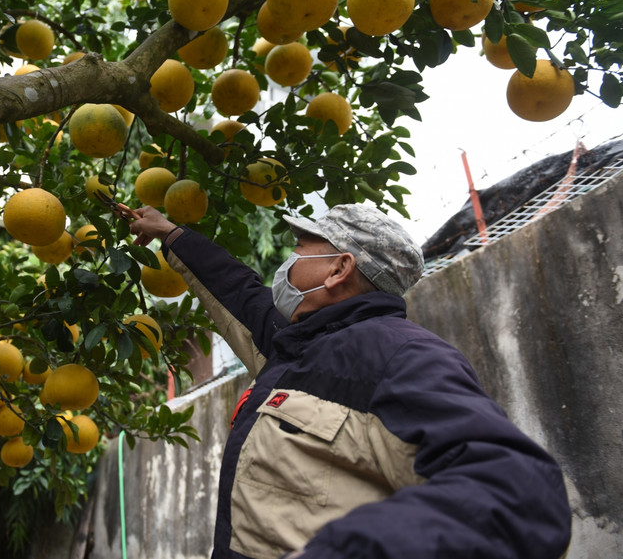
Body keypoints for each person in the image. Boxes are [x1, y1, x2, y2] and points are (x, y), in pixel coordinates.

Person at [128, 203, 572, 559]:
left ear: (339, 268)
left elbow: (518, 492)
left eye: (302, 247)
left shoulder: (402, 355)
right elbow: (239, 290)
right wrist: (171, 233)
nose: (289, 260)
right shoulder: (294, 343)